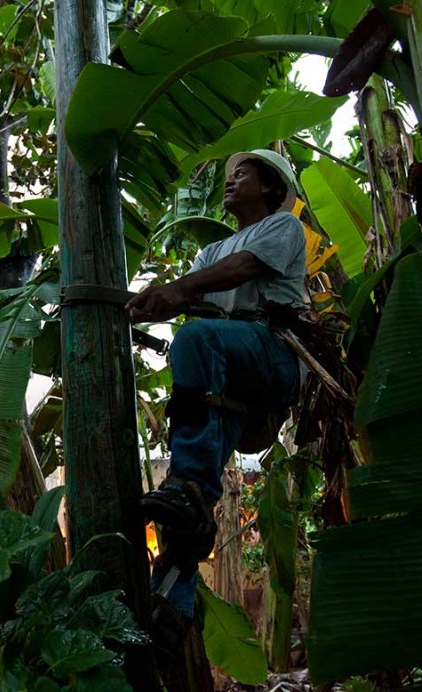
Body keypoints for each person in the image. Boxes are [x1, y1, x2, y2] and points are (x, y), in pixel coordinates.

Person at [125, 149, 307, 649]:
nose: (230, 182)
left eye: (241, 174)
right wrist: (145, 304)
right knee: (195, 494)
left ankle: (185, 490)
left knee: (197, 339)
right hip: (227, 377)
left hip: (274, 353)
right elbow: (196, 297)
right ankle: (172, 601)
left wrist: (175, 291)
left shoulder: (282, 228)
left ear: (270, 187)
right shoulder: (210, 252)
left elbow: (240, 271)